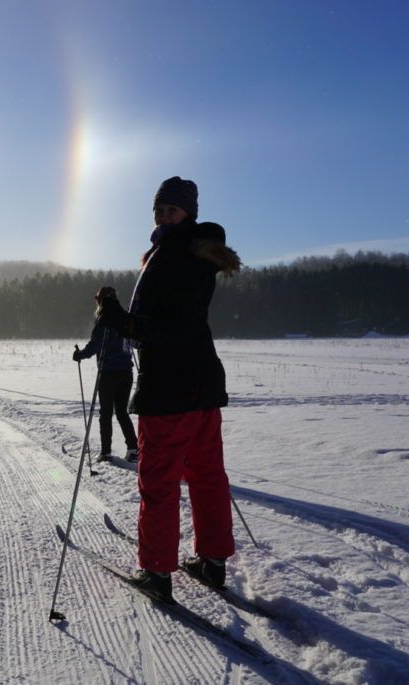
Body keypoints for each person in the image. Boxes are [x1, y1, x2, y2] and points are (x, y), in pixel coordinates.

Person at [108, 176, 242, 603]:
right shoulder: (198, 254)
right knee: (206, 475)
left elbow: (165, 325)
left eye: (172, 209)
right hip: (203, 383)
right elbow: (181, 319)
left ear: (190, 213)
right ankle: (213, 561)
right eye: (159, 210)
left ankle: (156, 571)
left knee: (160, 481)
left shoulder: (173, 255)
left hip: (168, 385)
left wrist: (118, 318)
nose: (164, 215)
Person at [72, 287, 138, 463]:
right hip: (126, 372)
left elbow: (95, 345)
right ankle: (133, 449)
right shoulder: (125, 317)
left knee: (106, 413)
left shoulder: (104, 319)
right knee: (122, 412)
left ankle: (106, 452)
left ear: (101, 301)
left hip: (108, 373)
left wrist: (80, 355)